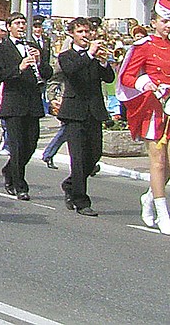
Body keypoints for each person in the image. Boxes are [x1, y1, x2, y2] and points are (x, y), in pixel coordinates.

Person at [117, 0, 170, 235]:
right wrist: (144, 82)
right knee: (157, 163)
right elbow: (126, 76)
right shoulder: (143, 46)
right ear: (154, 22)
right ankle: (162, 213)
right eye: (164, 22)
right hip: (152, 110)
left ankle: (148, 196)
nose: (168, 26)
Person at [0, 12, 52, 201]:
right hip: (14, 102)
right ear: (9, 27)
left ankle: (9, 170)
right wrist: (19, 68)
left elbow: (48, 73)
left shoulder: (33, 46)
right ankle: (20, 185)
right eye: (17, 23)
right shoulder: (3, 48)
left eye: (23, 23)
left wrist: (39, 62)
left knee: (31, 144)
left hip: (32, 101)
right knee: (16, 145)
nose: (21, 26)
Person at [56, 17, 114, 216]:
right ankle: (81, 201)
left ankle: (70, 184)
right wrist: (89, 54)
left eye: (87, 32)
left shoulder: (94, 56)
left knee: (95, 154)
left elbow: (109, 78)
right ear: (72, 33)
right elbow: (72, 71)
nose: (85, 36)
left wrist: (105, 63)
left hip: (94, 111)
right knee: (78, 158)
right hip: (74, 112)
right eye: (80, 32)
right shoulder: (67, 56)